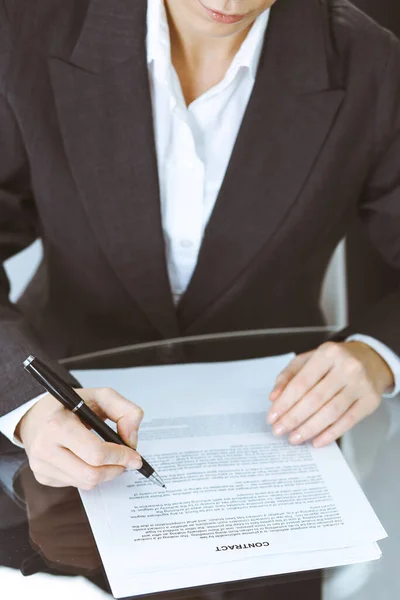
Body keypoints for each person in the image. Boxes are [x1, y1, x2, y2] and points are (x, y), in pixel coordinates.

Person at [0, 0, 399, 490]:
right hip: (63, 394)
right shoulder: (27, 29)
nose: (230, 4)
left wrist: (380, 353)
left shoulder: (372, 61)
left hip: (281, 428)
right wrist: (25, 405)